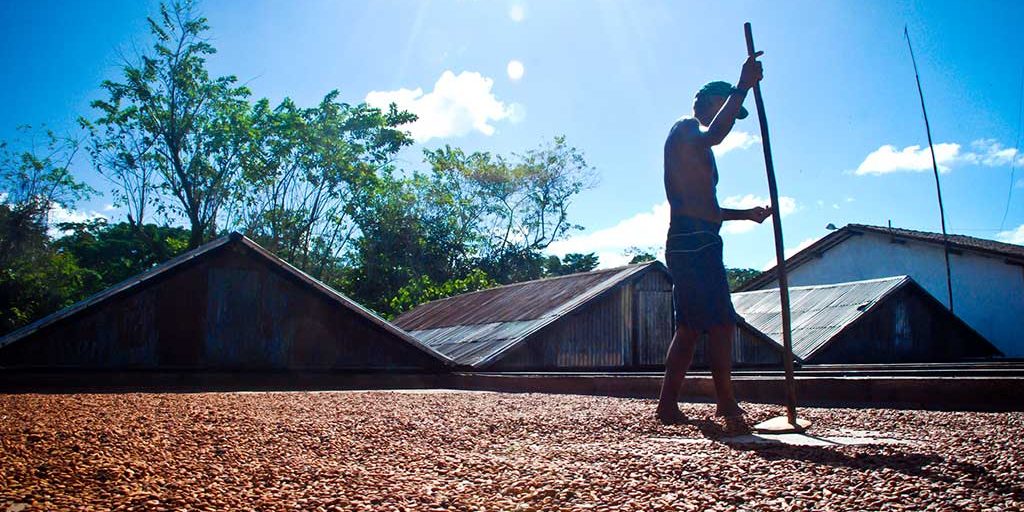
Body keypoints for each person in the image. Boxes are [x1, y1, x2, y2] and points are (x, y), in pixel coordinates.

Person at [655, 51, 771, 429]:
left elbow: (711, 208)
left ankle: (668, 407)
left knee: (691, 326)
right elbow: (716, 134)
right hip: (691, 239)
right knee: (721, 321)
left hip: (701, 236)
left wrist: (748, 215)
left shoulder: (699, 147)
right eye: (727, 107)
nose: (730, 119)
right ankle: (726, 405)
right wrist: (742, 86)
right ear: (708, 102)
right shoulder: (686, 129)